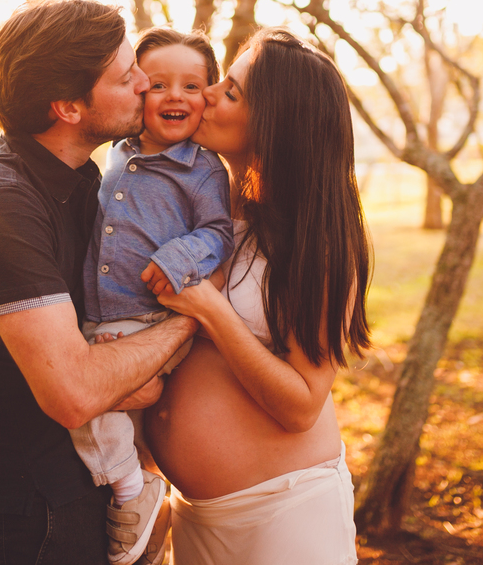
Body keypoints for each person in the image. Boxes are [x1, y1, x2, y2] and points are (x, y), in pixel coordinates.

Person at [0, 0, 199, 565]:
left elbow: (97, 363)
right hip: (29, 519)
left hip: (91, 492)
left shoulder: (82, 184)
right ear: (68, 108)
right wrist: (190, 320)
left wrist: (122, 375)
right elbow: (75, 393)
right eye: (126, 77)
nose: (146, 83)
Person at [146, 28, 373, 565]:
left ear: (275, 125)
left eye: (230, 91)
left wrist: (210, 310)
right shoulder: (203, 207)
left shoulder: (313, 240)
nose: (207, 95)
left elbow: (300, 405)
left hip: (285, 518)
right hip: (196, 515)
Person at [74, 28, 234, 565]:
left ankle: (130, 493)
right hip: (101, 317)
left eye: (192, 86)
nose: (175, 96)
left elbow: (218, 232)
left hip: (148, 317)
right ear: (137, 90)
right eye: (158, 83)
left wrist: (180, 257)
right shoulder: (115, 155)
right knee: (113, 422)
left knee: (89, 408)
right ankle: (143, 501)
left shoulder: (202, 168)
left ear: (207, 96)